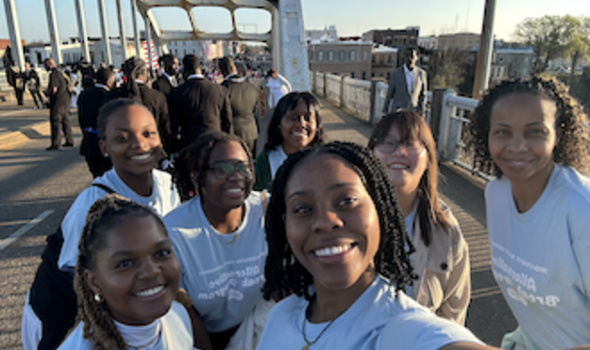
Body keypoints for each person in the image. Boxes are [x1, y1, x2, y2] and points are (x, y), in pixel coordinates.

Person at [257, 141, 498, 350]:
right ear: (285, 224)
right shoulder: (281, 314)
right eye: (303, 209)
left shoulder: (401, 329)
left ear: (381, 210)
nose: (325, 222)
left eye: (346, 200)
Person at [21, 99, 181, 350]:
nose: (139, 144)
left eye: (148, 133)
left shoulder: (166, 185)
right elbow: (74, 282)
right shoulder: (93, 204)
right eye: (122, 138)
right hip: (64, 315)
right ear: (104, 147)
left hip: (127, 311)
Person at [466, 77, 590, 350]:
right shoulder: (496, 194)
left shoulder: (581, 209)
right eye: (503, 132)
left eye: (535, 132)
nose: (518, 146)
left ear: (558, 134)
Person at [164, 132, 269, 350]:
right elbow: (183, 310)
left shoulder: (267, 210)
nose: (236, 176)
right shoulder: (174, 232)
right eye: (222, 168)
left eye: (243, 167)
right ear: (196, 176)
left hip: (256, 324)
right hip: (201, 334)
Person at [368, 110, 470, 324]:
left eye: (411, 143)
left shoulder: (446, 229)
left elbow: (454, 312)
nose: (399, 152)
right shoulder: (345, 220)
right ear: (371, 155)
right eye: (388, 143)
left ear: (428, 159)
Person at [55, 195, 196, 350]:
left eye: (161, 253)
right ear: (94, 282)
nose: (151, 272)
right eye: (125, 263)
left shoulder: (177, 316)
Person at [253, 92, 325, 192]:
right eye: (293, 117)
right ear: (279, 122)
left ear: (317, 126)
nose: (301, 124)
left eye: (308, 118)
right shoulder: (266, 162)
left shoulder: (327, 159)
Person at [168, 55, 233, 150]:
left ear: (185, 70)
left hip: (191, 145)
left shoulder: (177, 93)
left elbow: (174, 125)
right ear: (200, 68)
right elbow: (227, 121)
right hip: (215, 143)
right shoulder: (220, 90)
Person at [112, 56, 172, 155]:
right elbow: (165, 127)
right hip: (150, 148)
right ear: (144, 73)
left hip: (122, 151)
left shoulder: (114, 95)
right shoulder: (156, 96)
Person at [77, 67, 115, 178]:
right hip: (105, 143)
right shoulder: (109, 96)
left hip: (89, 141)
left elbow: (81, 119)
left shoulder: (84, 95)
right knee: (110, 178)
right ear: (108, 82)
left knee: (97, 177)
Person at [219, 56, 260, 155]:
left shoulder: (222, 89)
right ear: (234, 68)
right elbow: (255, 110)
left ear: (221, 71)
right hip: (251, 131)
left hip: (233, 133)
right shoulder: (251, 87)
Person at [382, 47, 428, 117]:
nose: (409, 59)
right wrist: (384, 112)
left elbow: (423, 95)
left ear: (417, 58)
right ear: (404, 57)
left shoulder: (421, 74)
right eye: (407, 56)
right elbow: (389, 94)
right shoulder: (395, 74)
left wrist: (422, 112)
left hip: (413, 114)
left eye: (412, 56)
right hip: (397, 114)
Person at [44, 58, 74, 150]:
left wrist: (47, 93)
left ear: (50, 65)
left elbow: (54, 89)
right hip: (66, 100)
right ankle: (70, 140)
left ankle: (56, 143)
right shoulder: (61, 72)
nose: (45, 67)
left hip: (57, 101)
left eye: (45, 65)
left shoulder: (54, 74)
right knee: (65, 121)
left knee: (56, 122)